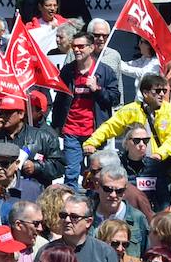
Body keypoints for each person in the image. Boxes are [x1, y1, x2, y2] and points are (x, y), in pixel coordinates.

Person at [51, 32, 120, 187]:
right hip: (71, 130)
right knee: (71, 173)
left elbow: (114, 98)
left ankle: (93, 206)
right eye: (74, 46)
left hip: (95, 132)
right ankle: (72, 207)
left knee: (96, 174)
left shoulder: (104, 71)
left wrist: (97, 89)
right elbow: (60, 100)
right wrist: (56, 126)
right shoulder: (68, 70)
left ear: (91, 48)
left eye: (81, 46)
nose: (77, 50)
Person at [83, 73, 171, 165]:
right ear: (145, 93)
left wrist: (159, 154)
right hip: (136, 164)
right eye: (157, 91)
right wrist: (91, 143)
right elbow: (109, 127)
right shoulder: (131, 109)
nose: (162, 94)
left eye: (164, 91)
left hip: (161, 164)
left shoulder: (170, 111)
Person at [0, 96, 65, 188]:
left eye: (8, 113)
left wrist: (36, 167)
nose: (3, 116)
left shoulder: (43, 137)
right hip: (1, 192)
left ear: (21, 114)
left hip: (33, 194)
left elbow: (60, 166)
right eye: (0, 112)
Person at [93, 165, 149, 259]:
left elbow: (146, 254)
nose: (113, 195)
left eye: (119, 191)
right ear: (98, 186)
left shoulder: (137, 218)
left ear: (125, 191)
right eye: (108, 189)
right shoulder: (85, 215)